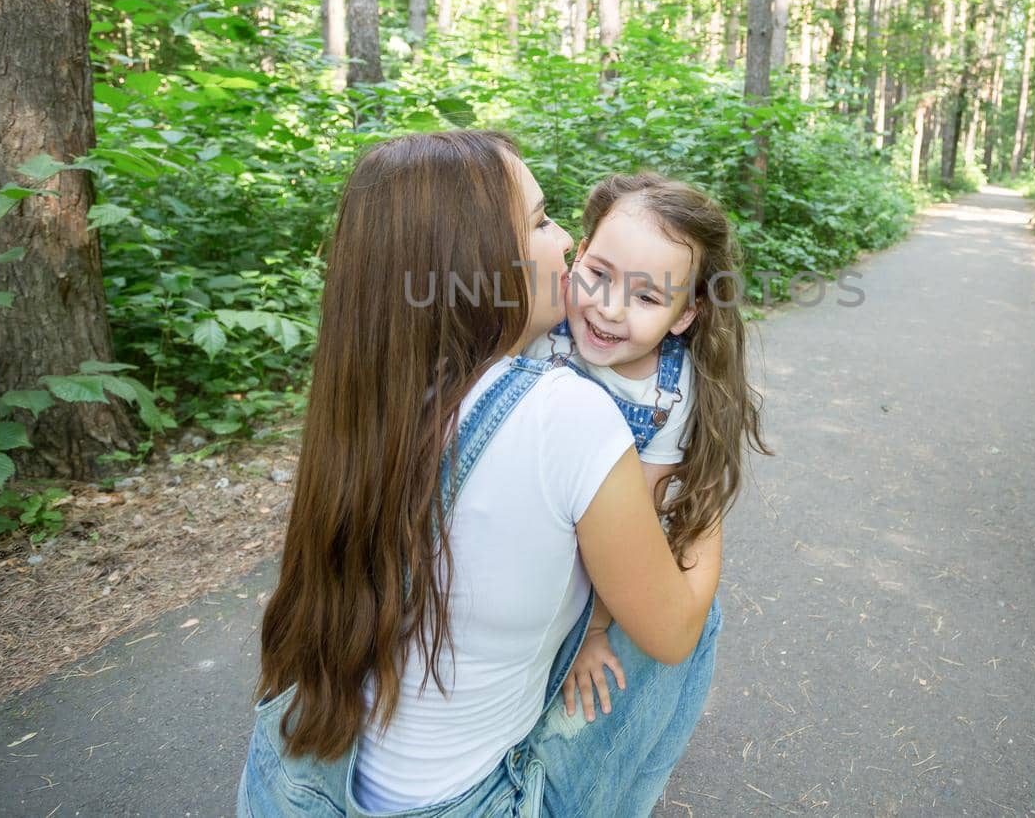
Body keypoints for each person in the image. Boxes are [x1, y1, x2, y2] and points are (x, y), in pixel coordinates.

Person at [238, 131, 724, 818]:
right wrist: (704, 500)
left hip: (295, 784)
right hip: (459, 805)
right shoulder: (567, 415)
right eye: (540, 220)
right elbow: (670, 633)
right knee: (693, 607)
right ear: (474, 260)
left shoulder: (378, 388)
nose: (566, 244)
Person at [527, 174, 765, 726]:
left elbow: (644, 518)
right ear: (578, 255)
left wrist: (594, 629)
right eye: (598, 274)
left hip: (600, 550)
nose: (610, 309)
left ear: (685, 314)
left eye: (648, 296)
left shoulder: (671, 393)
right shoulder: (543, 326)